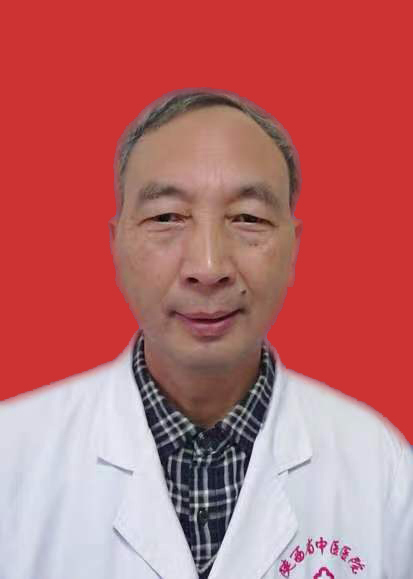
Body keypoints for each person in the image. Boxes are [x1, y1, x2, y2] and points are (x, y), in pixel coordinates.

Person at [0, 89, 412, 579]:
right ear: (116, 245)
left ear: (293, 249)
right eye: (167, 217)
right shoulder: (12, 456)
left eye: (248, 218)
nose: (209, 266)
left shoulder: (381, 467)